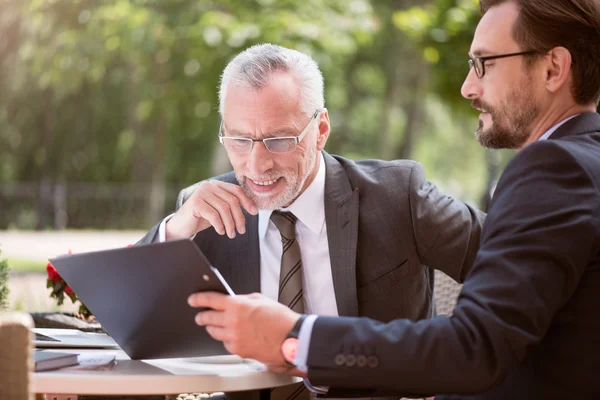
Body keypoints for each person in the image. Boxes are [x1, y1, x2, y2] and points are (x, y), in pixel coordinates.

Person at [188, 1, 600, 399]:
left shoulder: (552, 168)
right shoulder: (210, 206)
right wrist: (176, 226)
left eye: (484, 63)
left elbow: (475, 344)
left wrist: (297, 336)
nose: (468, 86)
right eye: (240, 140)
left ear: (553, 68)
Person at [138, 44, 484, 398]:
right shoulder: (204, 212)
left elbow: (518, 262)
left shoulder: (398, 197)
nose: (257, 166)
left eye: (279, 140)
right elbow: (129, 319)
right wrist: (174, 232)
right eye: (240, 140)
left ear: (320, 130)